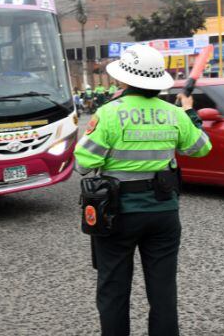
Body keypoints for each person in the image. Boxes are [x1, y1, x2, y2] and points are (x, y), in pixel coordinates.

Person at [74, 44, 212, 336]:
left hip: (117, 215)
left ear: (124, 79)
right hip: (163, 213)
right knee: (163, 293)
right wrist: (190, 113)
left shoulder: (110, 113)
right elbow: (201, 148)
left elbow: (84, 163)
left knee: (113, 290)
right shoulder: (174, 114)